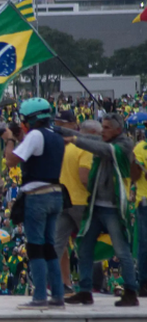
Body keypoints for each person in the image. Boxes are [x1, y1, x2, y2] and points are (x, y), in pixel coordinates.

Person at [56, 113, 139, 306]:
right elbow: (89, 138)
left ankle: (131, 291)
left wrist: (74, 140)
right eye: (102, 127)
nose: (103, 131)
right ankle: (85, 290)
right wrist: (60, 130)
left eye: (107, 128)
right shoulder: (106, 140)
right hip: (96, 206)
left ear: (118, 130)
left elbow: (100, 147)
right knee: (85, 248)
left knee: (122, 250)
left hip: (114, 208)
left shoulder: (124, 146)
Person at [1, 98, 66, 309]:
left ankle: (39, 296)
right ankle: (58, 295)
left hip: (37, 195)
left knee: (35, 248)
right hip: (56, 193)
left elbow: (11, 160)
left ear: (31, 118)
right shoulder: (55, 136)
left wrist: (9, 140)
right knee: (49, 247)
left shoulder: (36, 135)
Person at [53, 116, 97, 296]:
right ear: (92, 133)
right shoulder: (85, 148)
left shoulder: (67, 148)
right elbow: (84, 177)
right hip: (81, 202)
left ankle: (56, 284)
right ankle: (92, 284)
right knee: (89, 244)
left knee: (58, 244)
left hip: (63, 201)